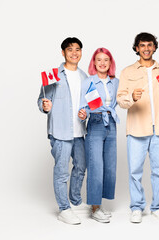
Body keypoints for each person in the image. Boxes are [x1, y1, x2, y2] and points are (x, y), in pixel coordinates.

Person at [117, 32, 159, 223]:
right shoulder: (128, 72)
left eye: (149, 45)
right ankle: (137, 207)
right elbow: (120, 99)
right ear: (137, 48)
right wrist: (132, 98)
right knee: (135, 170)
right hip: (136, 128)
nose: (146, 49)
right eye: (142, 45)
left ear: (154, 47)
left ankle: (157, 207)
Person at [37, 37, 87, 225]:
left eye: (77, 49)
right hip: (60, 132)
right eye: (70, 49)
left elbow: (88, 104)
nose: (74, 53)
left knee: (81, 167)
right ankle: (64, 209)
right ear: (63, 52)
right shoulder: (53, 75)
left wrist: (85, 114)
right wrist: (45, 106)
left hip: (80, 132)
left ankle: (74, 201)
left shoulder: (84, 77)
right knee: (61, 171)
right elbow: (40, 101)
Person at [78, 48, 119, 223]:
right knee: (96, 166)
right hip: (95, 122)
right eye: (99, 60)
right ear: (94, 63)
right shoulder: (89, 82)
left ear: (110, 63)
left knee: (109, 167)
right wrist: (83, 114)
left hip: (112, 123)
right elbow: (83, 106)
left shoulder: (115, 82)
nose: (102, 63)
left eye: (106, 60)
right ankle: (94, 208)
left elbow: (121, 100)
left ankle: (99, 204)